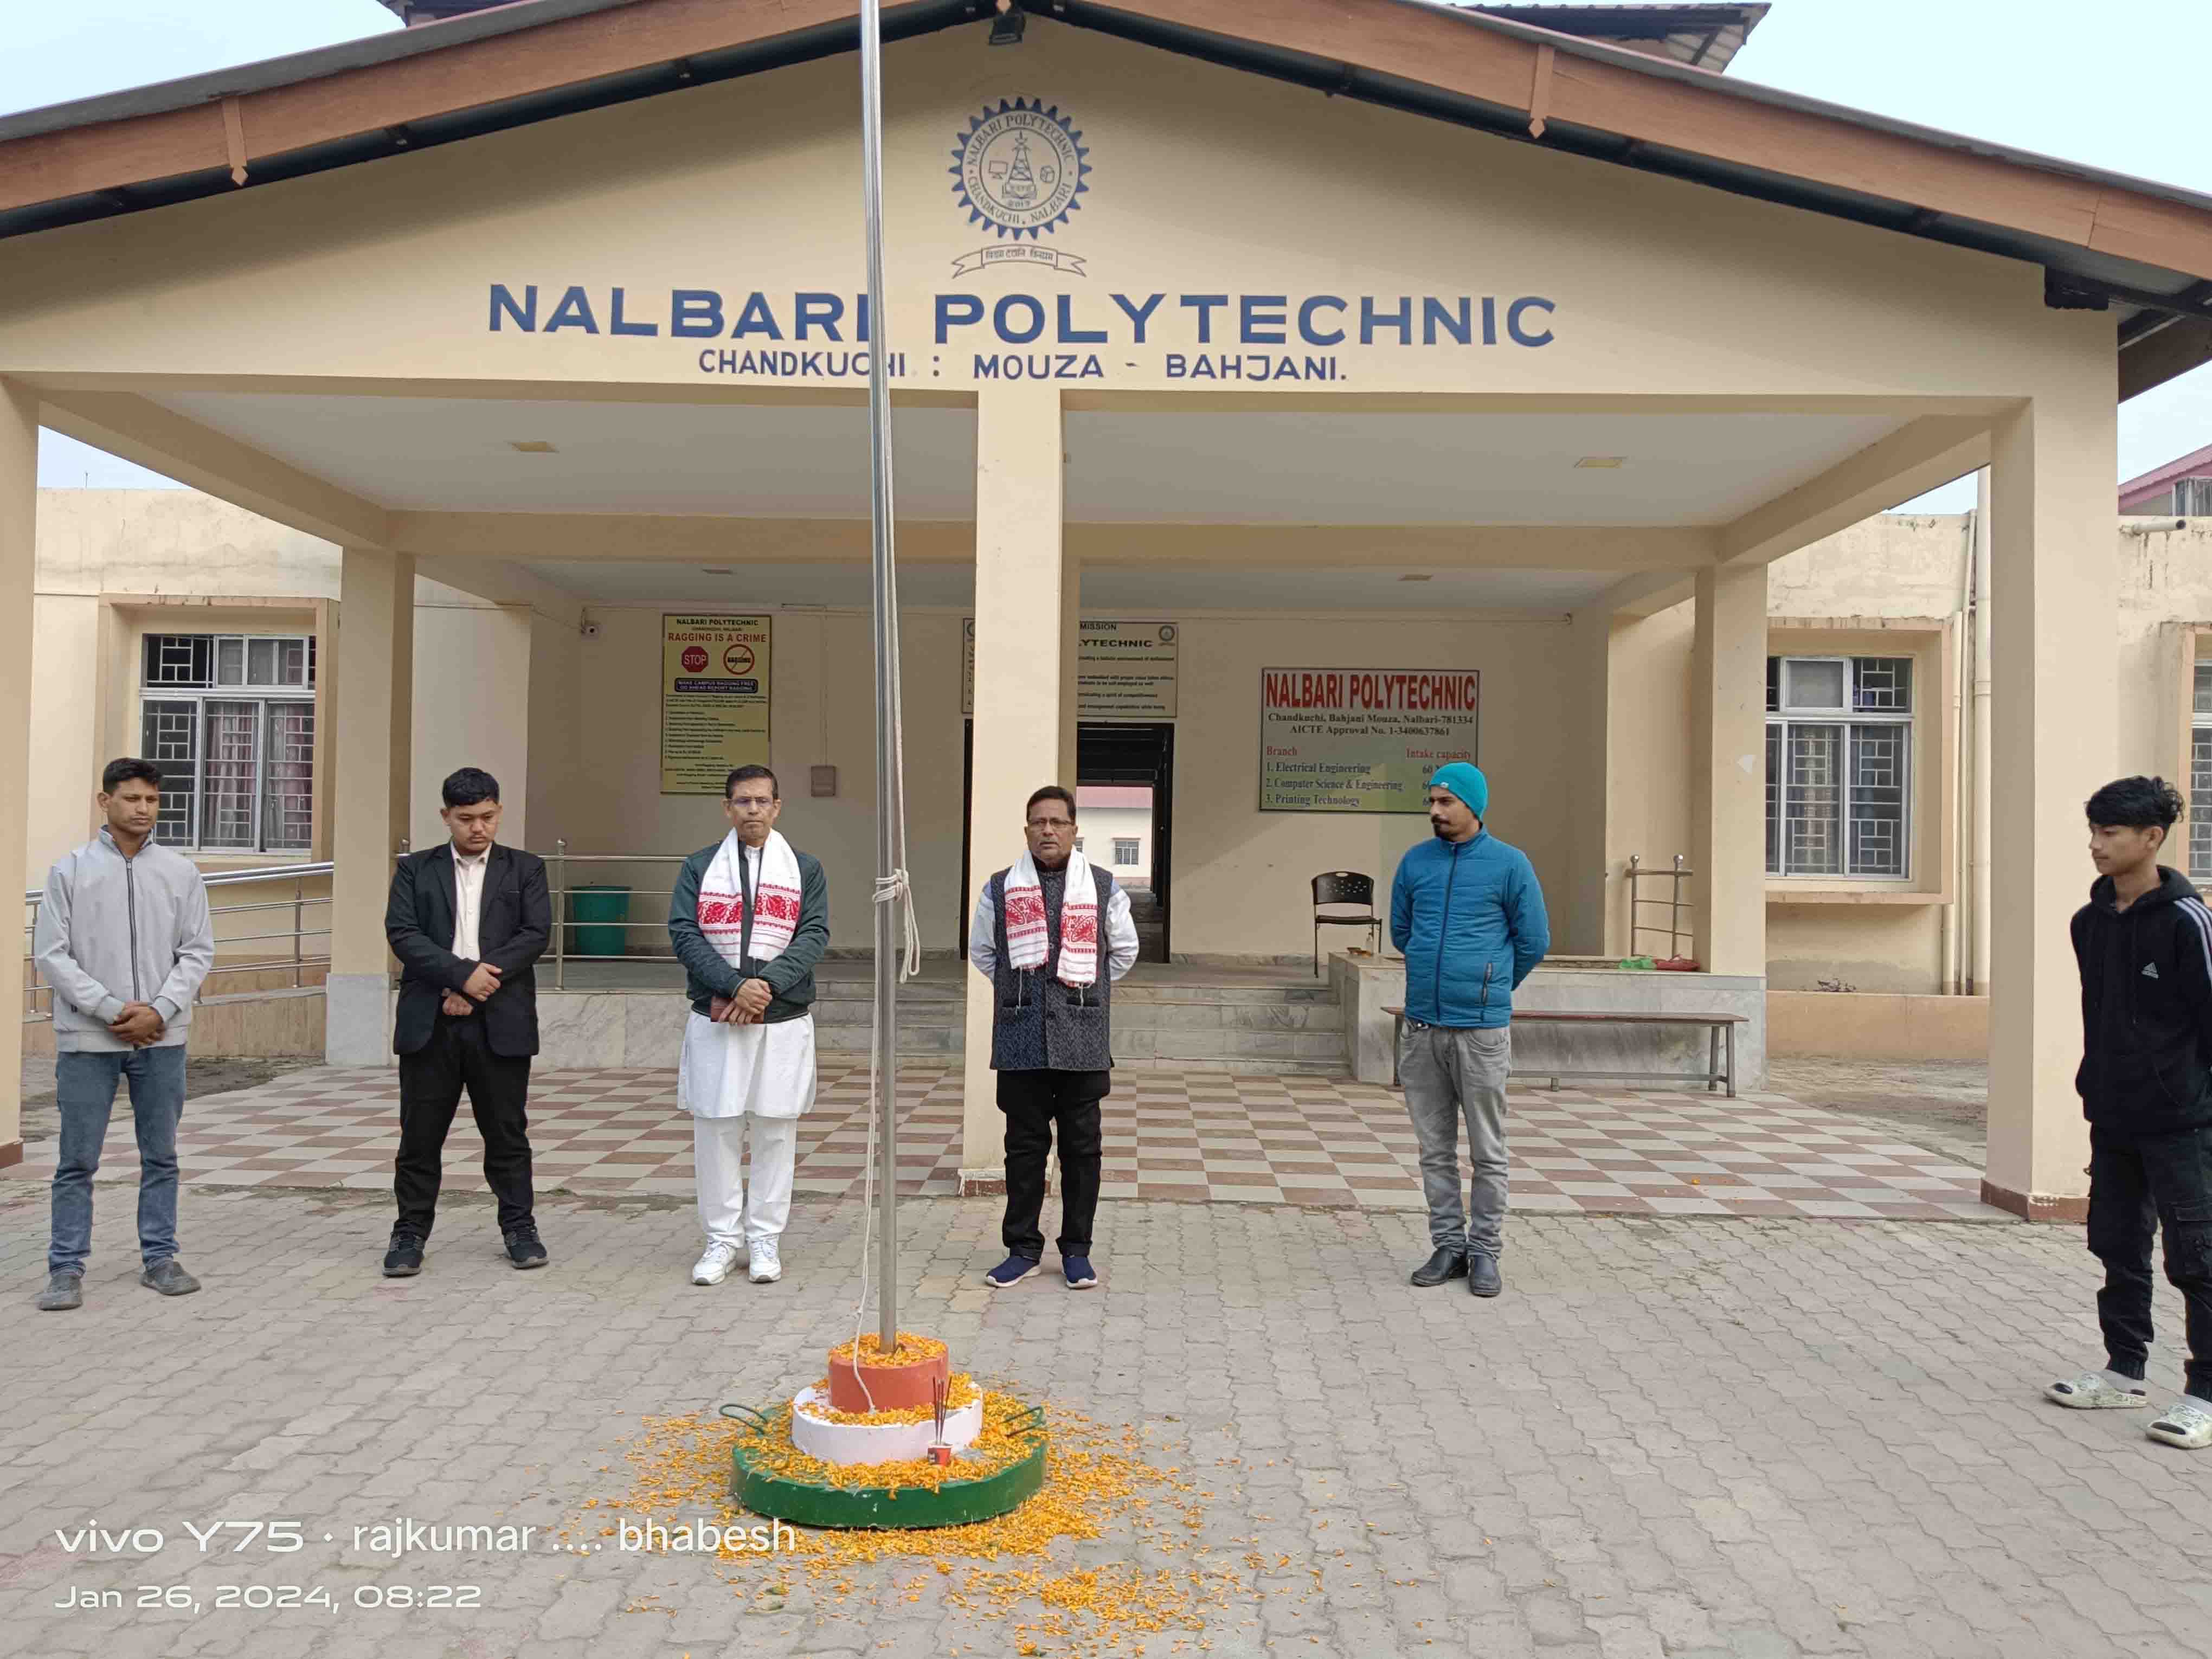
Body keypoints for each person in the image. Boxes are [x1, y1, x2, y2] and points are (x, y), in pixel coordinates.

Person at [2046, 776, 2212, 1450]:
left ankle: (2205, 1395)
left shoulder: (2187, 920)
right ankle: (2123, 1370)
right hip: (2113, 1116)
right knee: (2117, 1244)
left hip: (2183, 1122)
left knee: (2197, 1257)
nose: (2096, 844)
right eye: (2093, 831)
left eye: (2110, 832)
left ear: (2152, 837)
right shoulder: (2088, 923)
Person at [33, 758, 215, 1311]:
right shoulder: (70, 871)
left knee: (161, 1156)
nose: (143, 809)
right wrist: (112, 1010)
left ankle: (160, 1258)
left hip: (162, 1040)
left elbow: (197, 951)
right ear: (104, 801)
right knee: (77, 1161)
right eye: (132, 798)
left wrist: (159, 1011)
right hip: (89, 1041)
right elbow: (52, 955)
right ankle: (65, 1269)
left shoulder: (180, 873)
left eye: (152, 800)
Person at [382, 767, 551, 1277]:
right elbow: (403, 934)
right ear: (446, 817)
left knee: (507, 1134)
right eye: (466, 819)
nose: (478, 828)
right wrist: (460, 978)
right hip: (430, 1021)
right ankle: (409, 1233)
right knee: (420, 1137)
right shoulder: (416, 870)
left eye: (488, 817)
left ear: (499, 813)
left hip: (500, 1022)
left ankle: (520, 1228)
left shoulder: (526, 869)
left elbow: (534, 935)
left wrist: (477, 987)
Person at [970, 785, 1140, 1291]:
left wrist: (1085, 990)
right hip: (1020, 1037)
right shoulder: (999, 888)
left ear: (1073, 830)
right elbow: (983, 953)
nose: (1048, 831)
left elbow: (1123, 951)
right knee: (1024, 1150)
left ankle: (1077, 1252)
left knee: (1082, 1152)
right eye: (1039, 822)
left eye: (1058, 822)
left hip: (1081, 1039)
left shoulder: (1104, 886)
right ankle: (1022, 1249)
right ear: (1027, 830)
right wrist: (1020, 991)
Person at [1391, 762, 1549, 1300]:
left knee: (1488, 1151)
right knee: (1434, 1150)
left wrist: (1491, 984)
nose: (1435, 811)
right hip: (1422, 1027)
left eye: (1446, 802)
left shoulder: (1510, 864)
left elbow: (1533, 940)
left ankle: (1484, 1252)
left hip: (1481, 1032)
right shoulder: (1416, 862)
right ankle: (1448, 1246)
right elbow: (1403, 932)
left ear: (1473, 806)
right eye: (1432, 801)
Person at [667, 764, 829, 1287]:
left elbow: (813, 934)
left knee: (775, 1130)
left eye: (762, 801)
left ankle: (764, 1239)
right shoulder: (699, 867)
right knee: (716, 1129)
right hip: (717, 1016)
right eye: (743, 801)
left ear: (777, 807)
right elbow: (684, 933)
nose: (753, 810)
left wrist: (766, 986)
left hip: (781, 1019)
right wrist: (735, 986)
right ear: (728, 808)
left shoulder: (805, 868)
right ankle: (721, 1239)